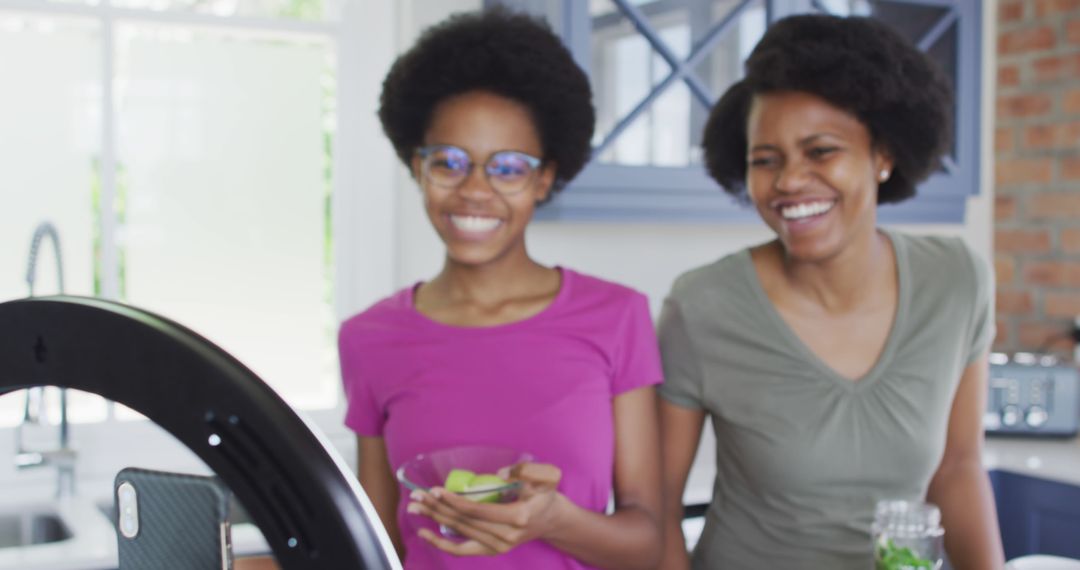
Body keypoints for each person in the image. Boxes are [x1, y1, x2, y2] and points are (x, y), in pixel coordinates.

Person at [657, 14, 1004, 570]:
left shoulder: (957, 281)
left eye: (821, 152)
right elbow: (657, 513)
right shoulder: (702, 307)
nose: (790, 181)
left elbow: (958, 468)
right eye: (765, 160)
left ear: (883, 156)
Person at [338, 8, 663, 570]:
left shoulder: (616, 316)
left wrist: (556, 521)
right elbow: (377, 546)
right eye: (449, 162)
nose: (474, 190)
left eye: (508, 168)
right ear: (417, 168)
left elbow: (647, 544)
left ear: (543, 179)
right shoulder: (368, 337)